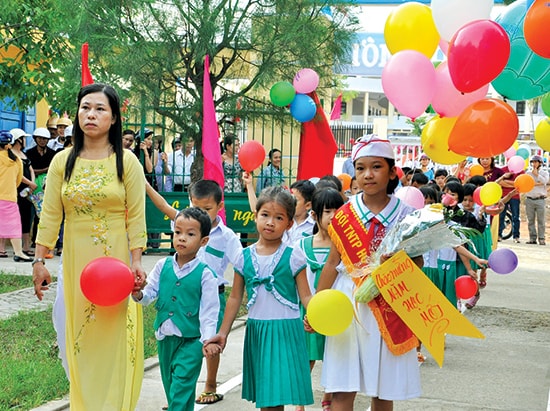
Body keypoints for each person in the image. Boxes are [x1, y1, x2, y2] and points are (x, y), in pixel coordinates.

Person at [32, 83, 148, 410]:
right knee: (79, 337)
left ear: (113, 118)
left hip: (116, 265)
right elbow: (50, 215)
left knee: (112, 339)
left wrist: (136, 262)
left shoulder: (128, 162)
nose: (91, 115)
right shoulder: (61, 162)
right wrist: (39, 261)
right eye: (85, 108)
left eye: (100, 109)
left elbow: (136, 219)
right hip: (76, 263)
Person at [316, 134, 422, 411]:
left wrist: (399, 263)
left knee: (383, 390)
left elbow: (419, 263)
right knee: (342, 388)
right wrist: (316, 305)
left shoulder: (407, 216)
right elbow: (331, 264)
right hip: (348, 304)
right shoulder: (344, 215)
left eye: (376, 167)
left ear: (391, 171)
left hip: (388, 303)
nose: (368, 175)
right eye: (360, 168)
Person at [205, 186, 314, 410]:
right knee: (266, 397)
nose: (270, 222)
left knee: (277, 395)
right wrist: (223, 333)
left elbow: (305, 295)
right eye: (265, 215)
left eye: (279, 217)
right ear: (256, 216)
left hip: (286, 331)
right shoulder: (243, 257)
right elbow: (235, 298)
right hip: (258, 331)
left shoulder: (294, 255)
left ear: (289, 224)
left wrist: (315, 317)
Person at [145, 179, 243, 405]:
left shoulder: (226, 236)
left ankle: (210, 383)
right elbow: (163, 206)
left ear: (220, 206)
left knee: (208, 342)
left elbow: (241, 263)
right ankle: (179, 397)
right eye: (196, 206)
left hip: (210, 294)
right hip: (181, 300)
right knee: (173, 372)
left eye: (206, 209)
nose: (183, 236)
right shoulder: (185, 224)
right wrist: (146, 184)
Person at [132, 207, 220, 411]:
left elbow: (209, 313)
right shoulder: (163, 265)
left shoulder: (206, 275)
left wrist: (207, 341)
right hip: (165, 340)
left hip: (191, 342)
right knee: (173, 390)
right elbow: (150, 293)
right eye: (178, 232)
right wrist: (138, 294)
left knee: (181, 390)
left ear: (203, 241)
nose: (182, 238)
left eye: (190, 234)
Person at [295, 188, 344, 411]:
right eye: (328, 211)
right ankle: (300, 401)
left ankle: (330, 392)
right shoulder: (302, 246)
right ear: (315, 215)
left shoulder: (346, 248)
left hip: (337, 310)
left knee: (335, 355)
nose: (334, 216)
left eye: (339, 210)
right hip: (308, 310)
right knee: (307, 358)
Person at [0, 130, 33, 262]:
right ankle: (18, 252)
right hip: (10, 197)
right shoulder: (17, 160)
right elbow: (18, 180)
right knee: (14, 226)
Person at [25, 127, 57, 257]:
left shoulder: (52, 153)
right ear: (35, 139)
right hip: (33, 187)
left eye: (45, 139)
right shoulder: (29, 153)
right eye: (40, 138)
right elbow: (28, 170)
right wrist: (44, 169)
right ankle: (34, 241)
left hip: (48, 186)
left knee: (45, 214)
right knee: (32, 213)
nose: (43, 141)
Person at [10, 128, 37, 256]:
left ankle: (26, 247)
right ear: (18, 140)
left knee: (27, 217)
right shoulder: (10, 155)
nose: (26, 140)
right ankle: (3, 248)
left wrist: (32, 183)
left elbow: (30, 169)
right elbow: (18, 174)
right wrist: (30, 183)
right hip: (16, 190)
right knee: (13, 219)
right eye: (24, 138)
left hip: (27, 191)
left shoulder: (24, 154)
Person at [497, 163, 523, 243]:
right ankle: (499, 235)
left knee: (516, 216)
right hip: (503, 196)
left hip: (515, 197)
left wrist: (507, 182)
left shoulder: (521, 171)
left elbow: (521, 183)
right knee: (501, 216)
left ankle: (516, 236)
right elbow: (500, 182)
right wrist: (514, 185)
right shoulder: (502, 169)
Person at [524, 155, 548, 245]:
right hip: (529, 198)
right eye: (533, 162)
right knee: (530, 220)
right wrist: (537, 183)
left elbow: (545, 182)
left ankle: (541, 238)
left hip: (540, 199)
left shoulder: (544, 173)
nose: (534, 164)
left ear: (540, 163)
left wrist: (537, 175)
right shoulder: (528, 173)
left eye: (536, 162)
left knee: (541, 220)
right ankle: (532, 238)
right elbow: (526, 183)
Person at [286, 179, 316, 244]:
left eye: (295, 200)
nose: (290, 203)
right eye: (289, 199)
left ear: (308, 205)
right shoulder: (284, 220)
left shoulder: (314, 226)